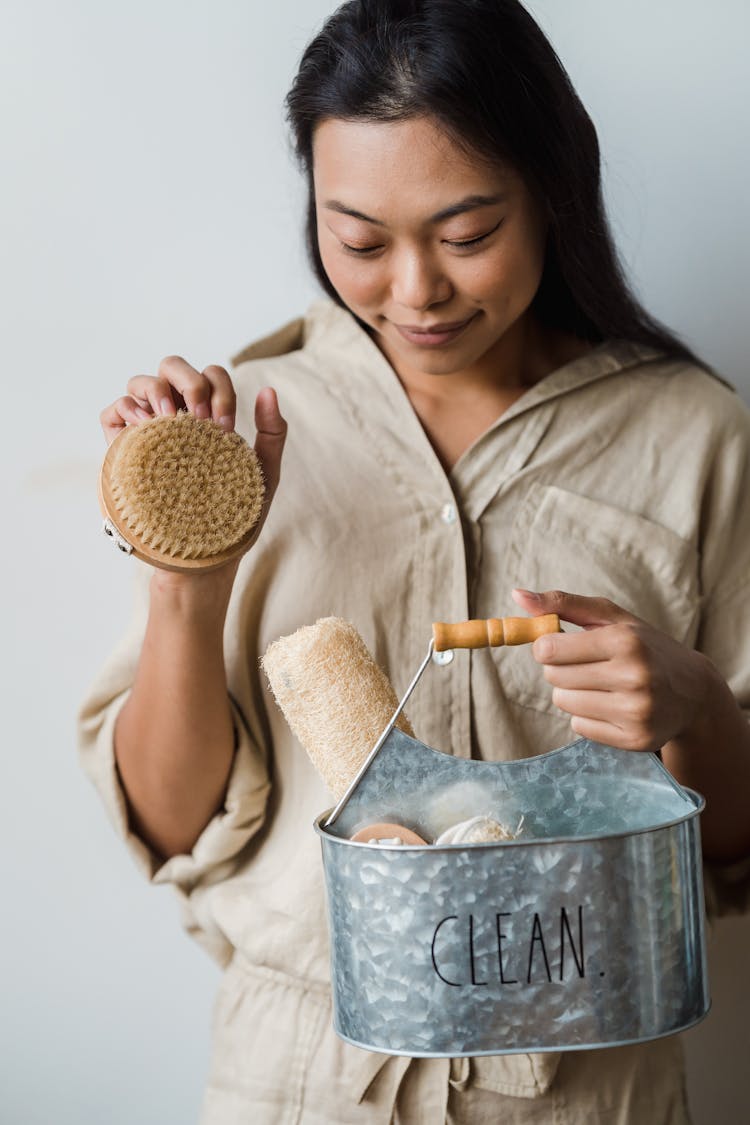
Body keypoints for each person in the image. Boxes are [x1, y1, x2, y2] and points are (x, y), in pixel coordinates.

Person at [79, 1, 750, 1121]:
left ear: (552, 192)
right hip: (298, 1079)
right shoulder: (240, 431)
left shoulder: (692, 436)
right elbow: (171, 826)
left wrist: (695, 710)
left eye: (467, 233)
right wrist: (185, 591)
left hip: (587, 1083)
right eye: (361, 240)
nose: (416, 292)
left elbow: (733, 858)